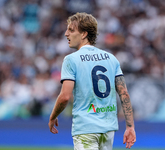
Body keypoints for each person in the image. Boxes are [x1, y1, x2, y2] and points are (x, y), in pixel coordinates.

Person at [48, 12, 136, 150]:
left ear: (84, 34)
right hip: (108, 130)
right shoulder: (111, 58)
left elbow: (65, 97)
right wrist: (130, 127)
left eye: (71, 30)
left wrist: (53, 116)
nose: (66, 34)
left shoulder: (71, 60)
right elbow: (124, 93)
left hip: (85, 128)